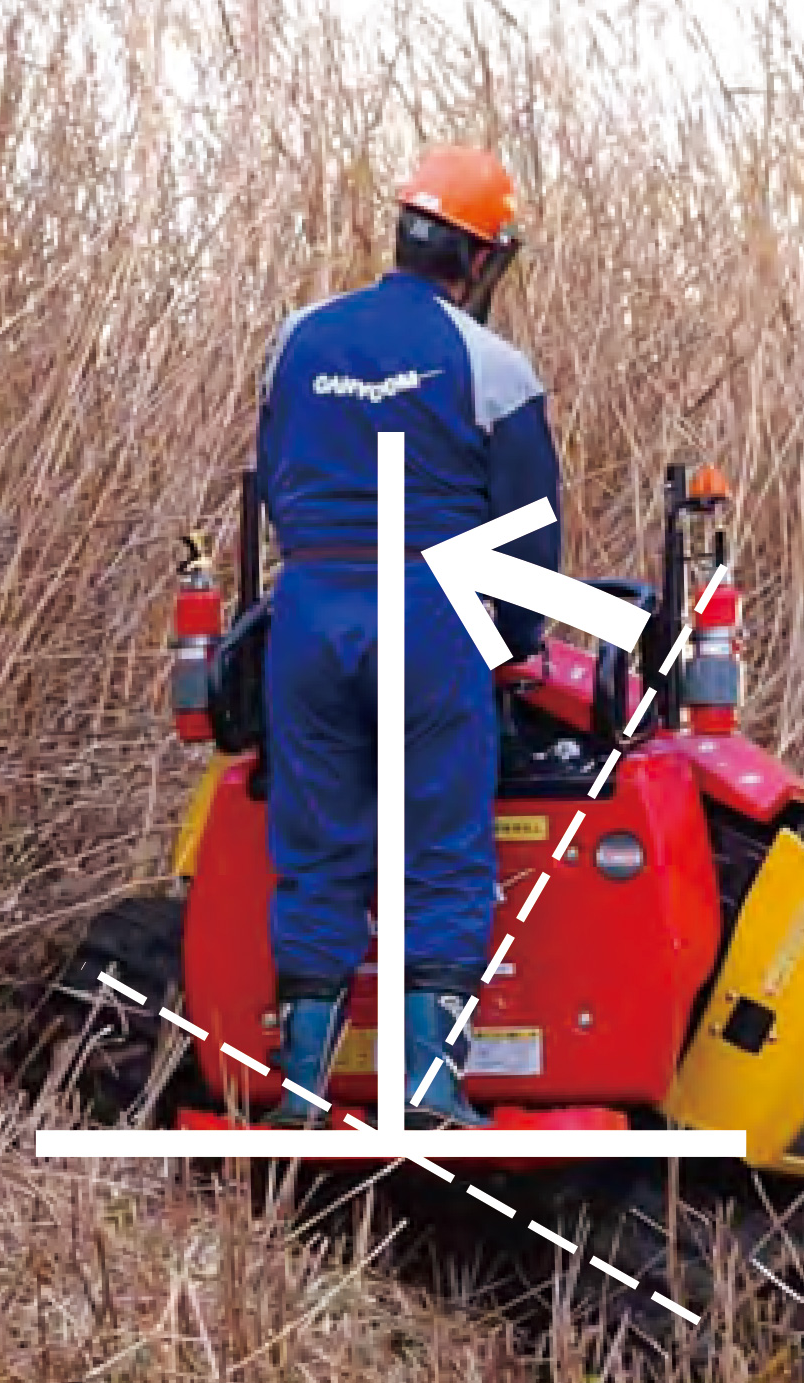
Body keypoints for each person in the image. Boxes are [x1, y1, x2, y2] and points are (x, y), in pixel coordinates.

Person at [251, 145, 561, 1128]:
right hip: (428, 620)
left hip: (307, 614)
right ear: (476, 258)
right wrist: (508, 645)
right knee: (442, 851)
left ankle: (299, 1088)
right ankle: (428, 1083)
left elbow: (272, 480)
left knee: (314, 851)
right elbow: (528, 538)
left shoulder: (297, 338)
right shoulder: (490, 367)